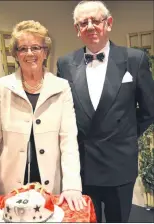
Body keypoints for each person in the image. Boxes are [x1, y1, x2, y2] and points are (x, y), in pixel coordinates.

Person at [57, 1, 154, 222]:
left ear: (108, 23)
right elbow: (64, 112)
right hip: (82, 165)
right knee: (85, 220)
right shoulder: (65, 63)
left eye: (96, 20)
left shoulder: (134, 59)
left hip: (119, 164)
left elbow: (150, 109)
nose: (90, 26)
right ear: (77, 29)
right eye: (83, 22)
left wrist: (125, 134)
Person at [0, 20, 87, 213]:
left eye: (35, 47)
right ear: (16, 54)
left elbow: (69, 141)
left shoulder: (61, 87)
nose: (29, 53)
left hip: (49, 182)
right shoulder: (2, 87)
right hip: (10, 183)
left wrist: (71, 185)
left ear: (45, 52)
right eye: (23, 48)